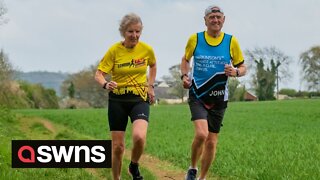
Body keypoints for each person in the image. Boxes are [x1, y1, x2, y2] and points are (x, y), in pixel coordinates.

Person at [180, 5, 246, 180]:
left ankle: (202, 177)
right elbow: (185, 59)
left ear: (223, 20)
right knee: (202, 134)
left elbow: (242, 66)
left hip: (219, 98)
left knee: (212, 141)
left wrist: (236, 72)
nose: (215, 20)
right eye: (212, 17)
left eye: (218, 17)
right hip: (198, 94)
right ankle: (192, 168)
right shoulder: (195, 39)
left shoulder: (231, 41)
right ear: (205, 20)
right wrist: (184, 76)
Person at [95, 13, 157, 180]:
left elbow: (153, 65)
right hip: (118, 100)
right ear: (123, 32)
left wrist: (150, 86)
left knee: (139, 136)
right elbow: (99, 74)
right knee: (118, 147)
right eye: (130, 31)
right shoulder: (114, 51)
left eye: (137, 31)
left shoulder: (146, 49)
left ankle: (133, 165)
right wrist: (106, 84)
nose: (134, 35)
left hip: (139, 98)